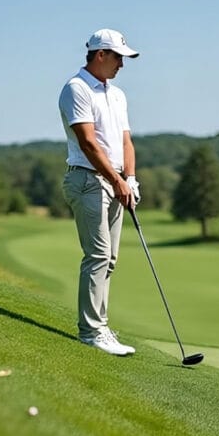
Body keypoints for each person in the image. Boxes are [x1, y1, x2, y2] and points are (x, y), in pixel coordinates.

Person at [58, 28, 142, 357]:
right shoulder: (76, 88)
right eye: (118, 57)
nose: (122, 64)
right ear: (101, 54)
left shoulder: (117, 95)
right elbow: (88, 144)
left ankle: (101, 326)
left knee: (110, 260)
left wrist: (130, 179)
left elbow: (125, 141)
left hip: (115, 181)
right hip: (88, 179)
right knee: (97, 256)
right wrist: (117, 181)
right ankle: (91, 332)